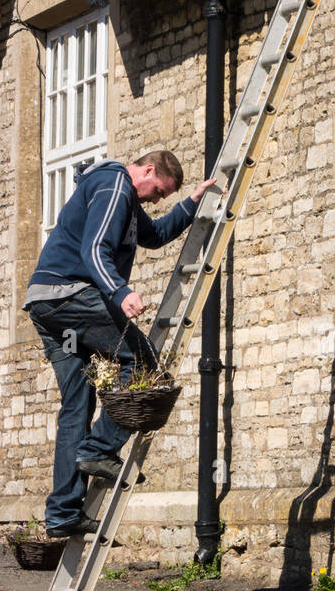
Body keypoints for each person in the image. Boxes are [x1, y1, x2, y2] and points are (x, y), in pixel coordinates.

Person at [23, 150, 215, 538]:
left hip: (48, 306)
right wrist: (120, 290)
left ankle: (62, 512)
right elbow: (94, 249)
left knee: (78, 402)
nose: (155, 200)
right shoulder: (115, 186)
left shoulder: (123, 197)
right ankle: (98, 450)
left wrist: (190, 203)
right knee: (145, 364)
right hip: (70, 296)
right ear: (146, 170)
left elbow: (156, 235)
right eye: (157, 191)